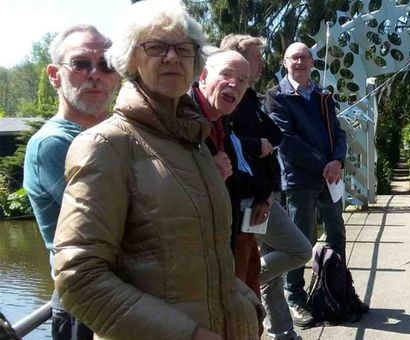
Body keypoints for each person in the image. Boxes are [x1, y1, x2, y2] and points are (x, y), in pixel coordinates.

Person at [51, 1, 261, 339]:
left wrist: (246, 306)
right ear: (130, 59)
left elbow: (209, 257)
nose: (172, 57)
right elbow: (79, 276)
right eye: (156, 46)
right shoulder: (108, 145)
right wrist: (188, 335)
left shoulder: (194, 143)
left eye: (183, 48)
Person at [22, 24, 120, 340]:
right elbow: (115, 222)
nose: (95, 74)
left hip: (128, 300)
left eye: (106, 65)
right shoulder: (53, 144)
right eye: (80, 64)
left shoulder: (116, 137)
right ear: (54, 75)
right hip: (86, 308)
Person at [220, 34, 312, 339]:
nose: (263, 62)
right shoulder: (232, 101)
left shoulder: (251, 98)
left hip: (265, 194)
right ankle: (248, 275)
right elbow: (225, 141)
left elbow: (275, 136)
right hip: (252, 198)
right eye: (258, 56)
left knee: (272, 274)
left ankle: (283, 333)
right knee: (300, 250)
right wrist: (255, 143)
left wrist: (264, 142)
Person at [265, 42, 353, 326]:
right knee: (302, 241)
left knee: (337, 234)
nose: (300, 62)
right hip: (300, 180)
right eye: (294, 58)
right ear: (285, 62)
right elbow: (286, 141)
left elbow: (339, 134)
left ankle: (335, 290)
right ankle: (296, 297)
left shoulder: (323, 96)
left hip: (331, 178)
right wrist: (323, 166)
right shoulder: (276, 97)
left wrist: (337, 161)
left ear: (313, 63)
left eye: (305, 58)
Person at [189, 50, 264, 301]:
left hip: (232, 237)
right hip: (195, 262)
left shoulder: (222, 122)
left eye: (243, 80)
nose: (235, 84)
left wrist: (262, 196)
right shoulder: (179, 121)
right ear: (203, 76)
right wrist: (207, 174)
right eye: (226, 75)